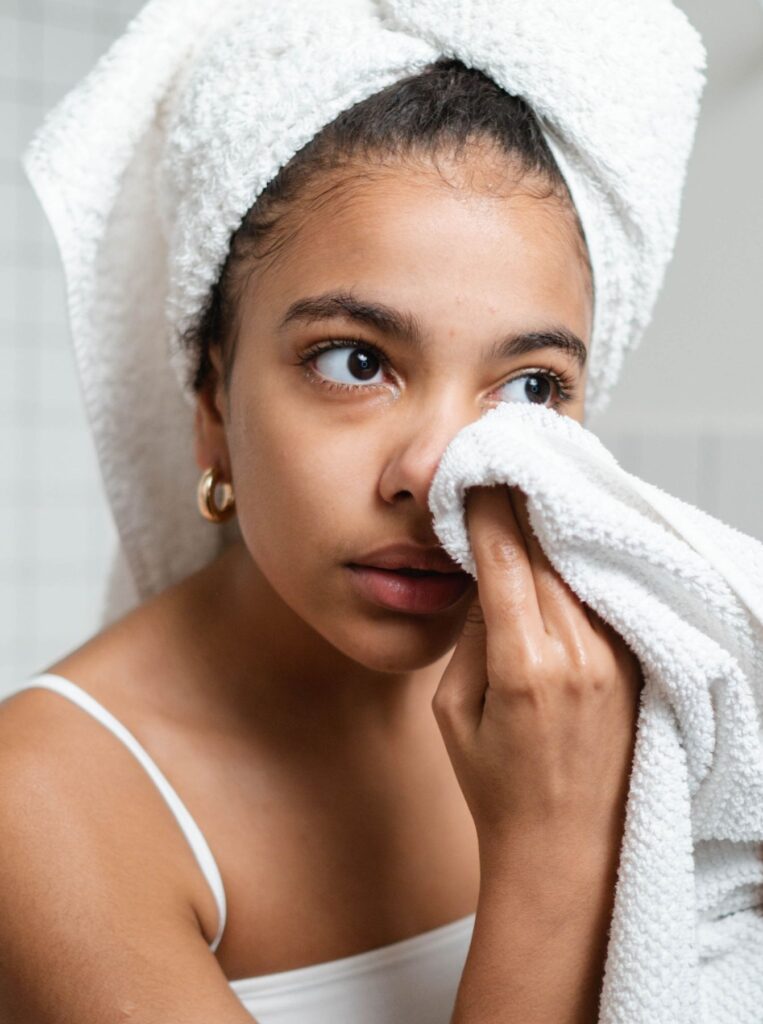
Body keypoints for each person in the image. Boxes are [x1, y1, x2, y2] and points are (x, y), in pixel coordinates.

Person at [1, 47, 647, 1024]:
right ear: (212, 401)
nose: (437, 473)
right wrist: (553, 852)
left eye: (528, 387)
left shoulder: (580, 695)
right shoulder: (43, 801)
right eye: (354, 362)